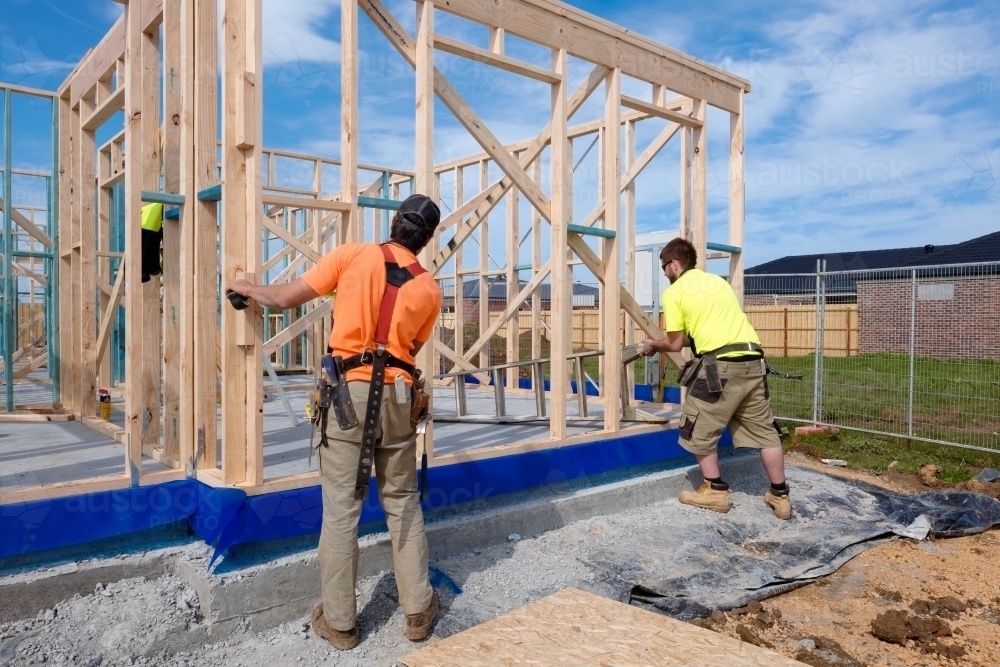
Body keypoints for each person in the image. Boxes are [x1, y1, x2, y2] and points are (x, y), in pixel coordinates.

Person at [226, 194, 443, 649]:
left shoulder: (355, 255)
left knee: (342, 508)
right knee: (402, 500)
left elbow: (285, 299)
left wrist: (247, 288)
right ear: (425, 240)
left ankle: (341, 623)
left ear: (393, 223)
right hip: (399, 396)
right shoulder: (429, 289)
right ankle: (418, 610)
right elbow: (410, 352)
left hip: (348, 393)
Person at [639, 238, 791, 520]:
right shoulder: (718, 283)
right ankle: (780, 496)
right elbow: (694, 332)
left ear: (674, 264)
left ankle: (715, 490)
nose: (664, 274)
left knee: (695, 427)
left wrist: (653, 345)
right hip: (753, 360)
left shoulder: (674, 294)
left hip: (720, 366)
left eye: (664, 268)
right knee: (765, 432)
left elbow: (674, 344)